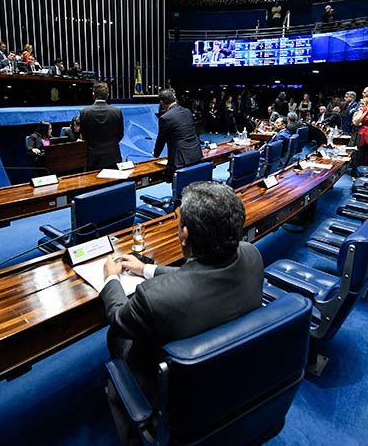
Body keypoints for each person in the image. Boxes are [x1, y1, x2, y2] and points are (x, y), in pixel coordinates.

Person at [100, 181, 263, 445]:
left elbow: (119, 319)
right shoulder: (252, 255)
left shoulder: (154, 298)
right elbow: (201, 275)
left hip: (180, 405)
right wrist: (146, 270)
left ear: (184, 235)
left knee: (115, 337)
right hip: (235, 380)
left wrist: (112, 280)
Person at [153, 88, 203, 176]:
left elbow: (161, 139)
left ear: (162, 102)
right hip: (195, 154)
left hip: (180, 160)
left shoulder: (165, 118)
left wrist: (156, 154)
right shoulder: (187, 111)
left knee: (180, 186)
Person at [80, 82, 124, 170]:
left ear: (93, 95)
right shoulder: (117, 111)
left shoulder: (85, 112)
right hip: (113, 156)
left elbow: (84, 135)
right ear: (107, 95)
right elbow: (120, 134)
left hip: (93, 157)